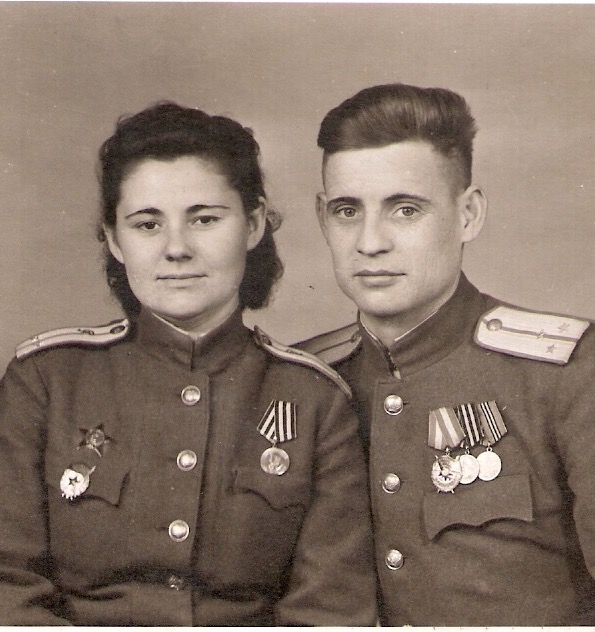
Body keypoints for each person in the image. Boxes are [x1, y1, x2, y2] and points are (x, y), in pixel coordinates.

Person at [0, 102, 377, 625]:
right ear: (114, 239)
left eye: (204, 219)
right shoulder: (45, 381)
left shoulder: (316, 400)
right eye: (147, 224)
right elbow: (8, 587)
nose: (176, 248)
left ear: (253, 225)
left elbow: (329, 609)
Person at [298, 83, 595, 626]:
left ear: (468, 214)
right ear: (322, 218)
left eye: (405, 210)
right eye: (347, 211)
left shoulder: (568, 375)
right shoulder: (305, 384)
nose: (370, 242)